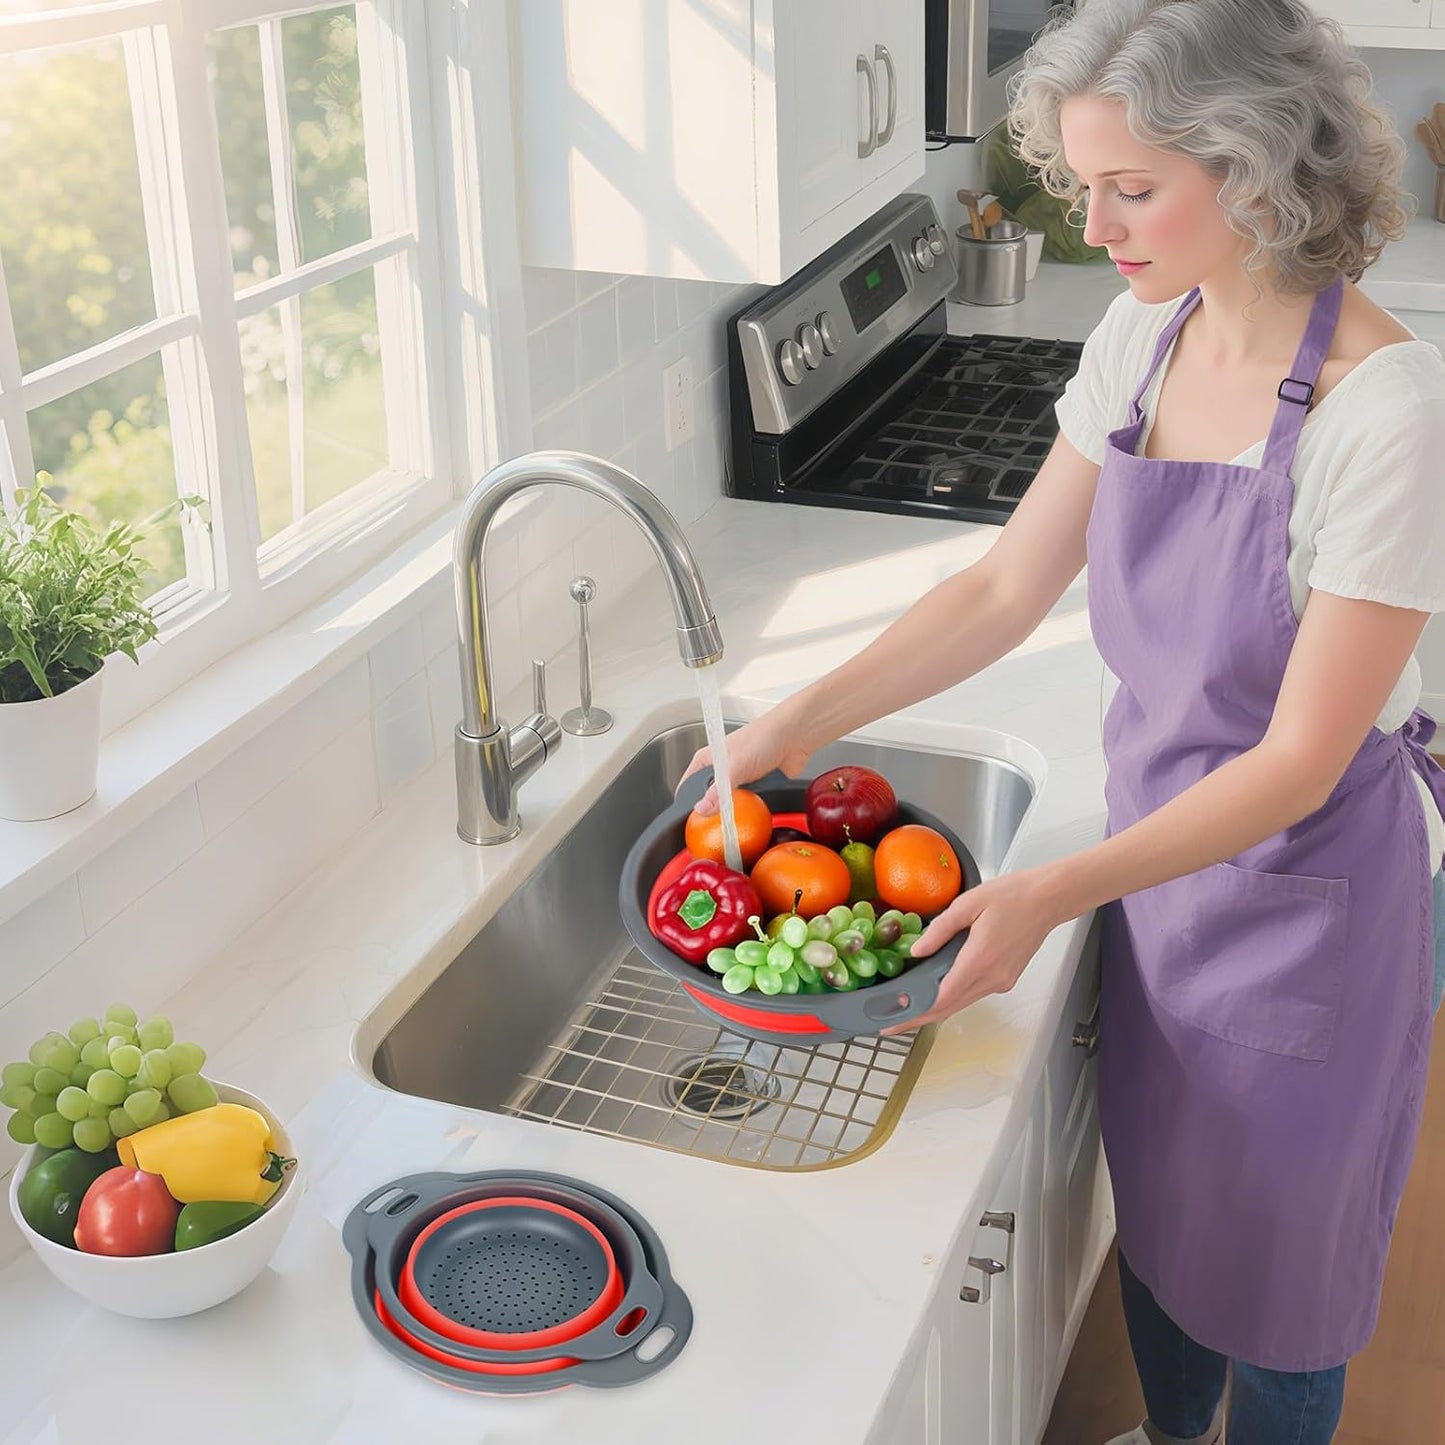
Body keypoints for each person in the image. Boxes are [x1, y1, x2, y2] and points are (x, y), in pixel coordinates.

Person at [681, 2, 1445, 1440]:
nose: (1092, 224)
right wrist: (795, 718)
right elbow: (999, 585)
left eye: (1131, 189)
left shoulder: (1383, 408)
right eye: (1078, 182)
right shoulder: (1143, 334)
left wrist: (1044, 889)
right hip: (1155, 865)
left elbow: (1295, 762)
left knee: (1282, 1279)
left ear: (1259, 164)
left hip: (1312, 898)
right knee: (1160, 1216)